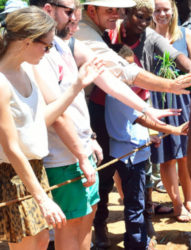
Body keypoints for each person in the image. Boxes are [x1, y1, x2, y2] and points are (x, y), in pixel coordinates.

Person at [73, 0, 191, 246]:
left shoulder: (146, 36)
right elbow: (120, 74)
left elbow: (174, 54)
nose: (142, 22)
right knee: (105, 178)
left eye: (146, 17)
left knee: (139, 186)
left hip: (133, 112)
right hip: (107, 110)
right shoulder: (100, 33)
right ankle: (102, 231)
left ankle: (142, 229)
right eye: (137, 16)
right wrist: (169, 90)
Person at [0, 6, 101, 249]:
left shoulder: (25, 70)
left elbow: (40, 121)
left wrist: (77, 86)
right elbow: (12, 148)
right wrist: (42, 199)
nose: (47, 52)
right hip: (12, 173)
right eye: (45, 46)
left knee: (42, 240)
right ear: (26, 41)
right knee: (31, 244)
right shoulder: (2, 83)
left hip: (34, 169)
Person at [105, 81, 189, 249]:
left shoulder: (121, 93)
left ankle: (134, 239)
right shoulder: (118, 95)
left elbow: (127, 126)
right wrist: (175, 130)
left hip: (132, 153)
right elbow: (143, 119)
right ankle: (138, 244)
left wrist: (147, 139)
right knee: (135, 204)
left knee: (136, 202)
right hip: (130, 157)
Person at [150, 0, 191, 222]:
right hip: (158, 102)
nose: (162, 14)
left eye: (165, 9)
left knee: (186, 154)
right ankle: (177, 204)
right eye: (157, 10)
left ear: (172, 10)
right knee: (167, 158)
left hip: (184, 100)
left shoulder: (185, 35)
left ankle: (190, 199)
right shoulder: (147, 38)